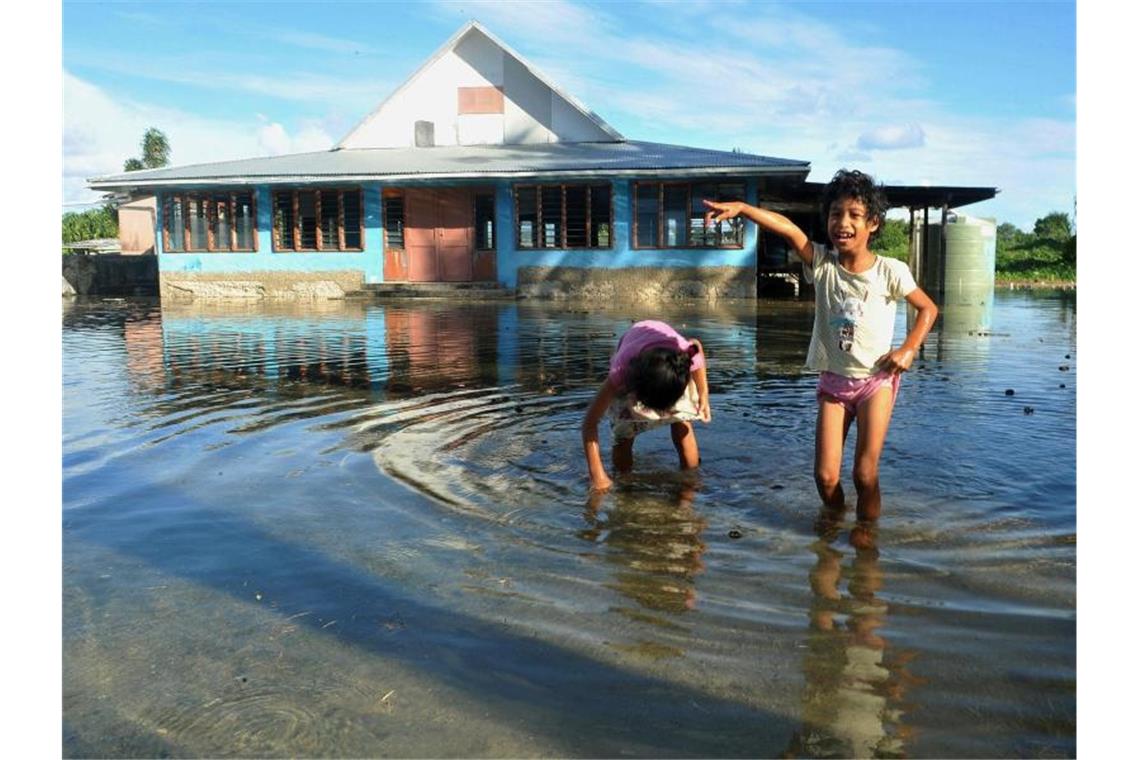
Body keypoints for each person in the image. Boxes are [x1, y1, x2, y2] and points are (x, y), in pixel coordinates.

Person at [704, 169, 938, 527]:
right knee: (825, 477)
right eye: (835, 214)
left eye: (855, 215)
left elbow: (928, 308)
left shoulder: (890, 271)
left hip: (877, 380)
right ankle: (833, 523)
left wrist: (908, 349)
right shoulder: (823, 264)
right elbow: (788, 229)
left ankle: (865, 536)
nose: (842, 222)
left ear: (872, 224)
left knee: (864, 473)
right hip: (834, 382)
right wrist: (744, 208)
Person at [582, 320, 711, 492]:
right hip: (635, 371)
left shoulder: (682, 355)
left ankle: (691, 479)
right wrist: (597, 476)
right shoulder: (621, 372)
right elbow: (590, 423)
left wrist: (703, 395)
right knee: (623, 434)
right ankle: (624, 485)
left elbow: (696, 348)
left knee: (682, 422)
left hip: (666, 368)